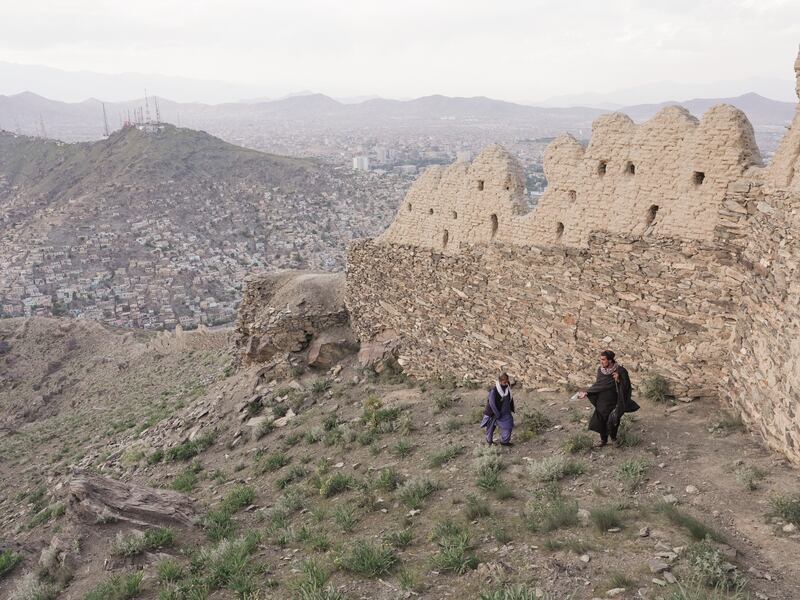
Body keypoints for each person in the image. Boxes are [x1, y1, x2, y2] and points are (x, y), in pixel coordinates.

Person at [576, 350, 639, 447]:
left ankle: (614, 439)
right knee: (601, 419)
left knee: (613, 420)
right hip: (602, 401)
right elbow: (599, 385)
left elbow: (627, 387)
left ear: (610, 360)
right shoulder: (600, 370)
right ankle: (603, 440)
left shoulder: (621, 371)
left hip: (615, 400)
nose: (601, 362)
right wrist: (587, 392)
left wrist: (619, 379)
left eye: (603, 360)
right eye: (600, 360)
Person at [480, 373, 515, 446]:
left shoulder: (507, 387)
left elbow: (509, 399)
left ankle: (505, 442)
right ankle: (489, 441)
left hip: (505, 412)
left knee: (508, 426)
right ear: (500, 381)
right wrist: (497, 414)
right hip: (494, 413)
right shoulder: (494, 391)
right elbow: (492, 403)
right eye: (504, 382)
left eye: (507, 381)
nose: (506, 383)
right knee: (491, 428)